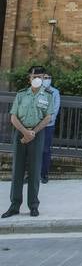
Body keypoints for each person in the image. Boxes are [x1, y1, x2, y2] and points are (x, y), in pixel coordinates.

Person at [2, 65, 54, 218]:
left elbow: (47, 117)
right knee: (17, 170)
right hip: (20, 133)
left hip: (37, 134)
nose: (37, 79)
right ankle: (14, 205)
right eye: (34, 76)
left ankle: (33, 205)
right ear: (29, 78)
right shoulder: (21, 95)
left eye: (40, 77)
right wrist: (25, 133)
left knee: (34, 170)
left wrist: (32, 133)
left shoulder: (48, 95)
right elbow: (13, 117)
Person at [40, 71, 60, 184]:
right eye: (45, 77)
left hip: (48, 125)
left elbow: (55, 109)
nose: (47, 79)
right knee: (33, 150)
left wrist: (47, 120)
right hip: (36, 125)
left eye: (49, 77)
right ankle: (31, 174)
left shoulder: (55, 92)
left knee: (45, 150)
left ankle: (44, 174)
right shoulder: (36, 89)